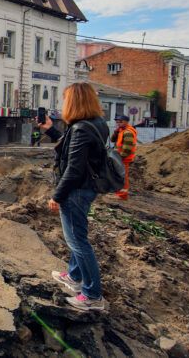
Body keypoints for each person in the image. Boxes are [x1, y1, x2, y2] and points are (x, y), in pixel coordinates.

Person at [37, 82, 108, 311]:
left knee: (78, 242)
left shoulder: (81, 129)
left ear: (74, 101)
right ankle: (74, 277)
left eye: (66, 98)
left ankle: (92, 295)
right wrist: (50, 129)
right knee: (77, 237)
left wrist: (57, 196)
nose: (63, 103)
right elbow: (71, 151)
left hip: (76, 191)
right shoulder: (93, 124)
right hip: (86, 188)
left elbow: (74, 169)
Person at [111, 115, 137, 200]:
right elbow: (112, 140)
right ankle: (119, 193)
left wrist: (120, 158)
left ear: (126, 122)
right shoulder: (121, 131)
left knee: (122, 176)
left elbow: (127, 149)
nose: (118, 123)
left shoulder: (128, 132)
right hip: (120, 158)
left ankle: (122, 195)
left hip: (124, 158)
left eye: (120, 121)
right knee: (119, 175)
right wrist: (116, 132)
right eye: (117, 122)